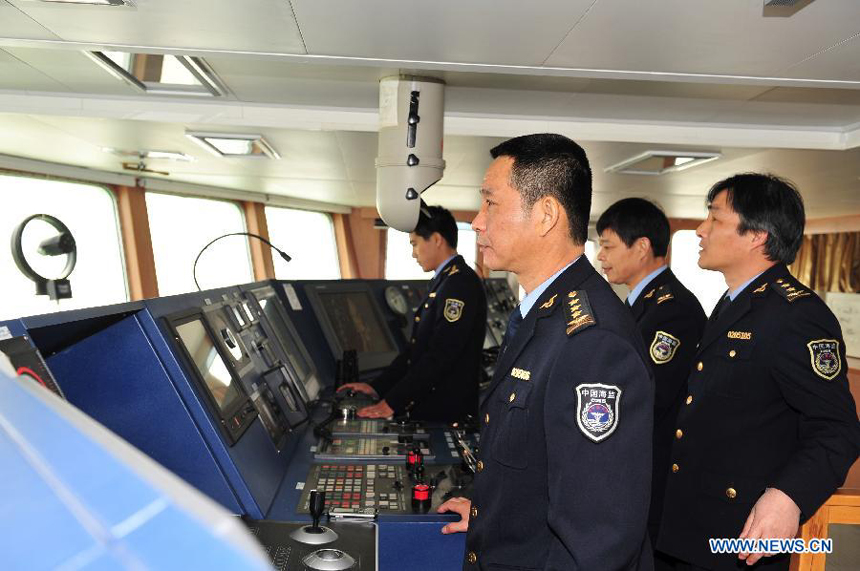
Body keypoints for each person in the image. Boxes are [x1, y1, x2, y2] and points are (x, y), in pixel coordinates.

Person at [438, 134, 655, 570]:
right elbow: (540, 467)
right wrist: (493, 517)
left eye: (490, 204)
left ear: (546, 215)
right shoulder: (543, 316)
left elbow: (596, 543)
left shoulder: (592, 343)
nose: (477, 222)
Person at [656, 173, 860, 570]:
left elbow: (838, 429)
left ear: (757, 236)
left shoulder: (796, 315)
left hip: (739, 542)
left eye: (714, 219)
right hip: (690, 527)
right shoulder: (733, 303)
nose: (701, 230)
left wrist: (789, 496)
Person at [596, 198, 706, 555]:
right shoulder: (637, 305)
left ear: (642, 247)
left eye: (608, 246)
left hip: (654, 472)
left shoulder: (673, 310)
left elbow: (649, 397)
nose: (601, 256)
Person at [337, 205, 486, 422]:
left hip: (446, 414)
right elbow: (415, 353)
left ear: (436, 240)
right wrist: (376, 387)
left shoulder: (459, 284)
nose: (413, 253)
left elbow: (440, 356)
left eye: (415, 244)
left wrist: (392, 403)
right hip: (434, 408)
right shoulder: (444, 281)